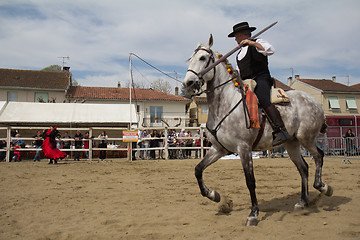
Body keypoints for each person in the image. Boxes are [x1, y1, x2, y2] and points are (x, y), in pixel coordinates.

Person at [228, 21, 291, 146]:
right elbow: (240, 73)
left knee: (263, 99)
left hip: (261, 78)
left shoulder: (259, 42)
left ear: (241, 35)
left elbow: (270, 50)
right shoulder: (239, 54)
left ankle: (280, 131)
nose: (235, 39)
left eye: (236, 36)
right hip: (246, 82)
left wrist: (251, 43)